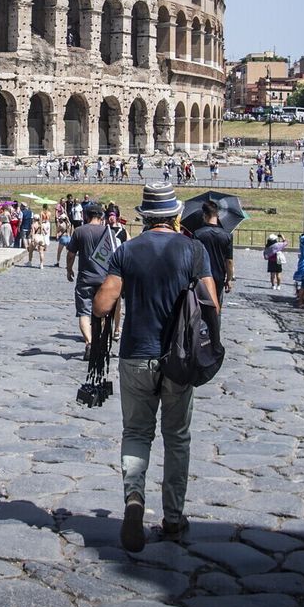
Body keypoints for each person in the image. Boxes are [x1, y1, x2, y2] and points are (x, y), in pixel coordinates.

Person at [92, 183, 217, 550]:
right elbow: (212, 306)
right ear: (176, 216)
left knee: (136, 432)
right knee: (176, 437)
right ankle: (174, 519)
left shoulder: (127, 250)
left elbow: (102, 305)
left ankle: (134, 499)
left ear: (145, 217)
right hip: (178, 357)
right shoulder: (194, 250)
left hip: (135, 353)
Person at [66, 204, 114, 354]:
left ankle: (89, 342)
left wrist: (69, 269)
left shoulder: (79, 231)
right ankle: (100, 340)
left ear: (86, 216)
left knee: (84, 313)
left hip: (85, 278)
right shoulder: (109, 232)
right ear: (102, 217)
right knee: (104, 312)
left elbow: (71, 254)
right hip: (104, 279)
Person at [190, 200, 235, 301]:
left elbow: (193, 258)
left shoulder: (198, 234)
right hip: (219, 276)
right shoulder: (227, 235)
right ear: (217, 215)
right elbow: (229, 261)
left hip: (201, 277)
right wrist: (229, 279)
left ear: (204, 215)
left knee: (200, 307)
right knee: (216, 307)